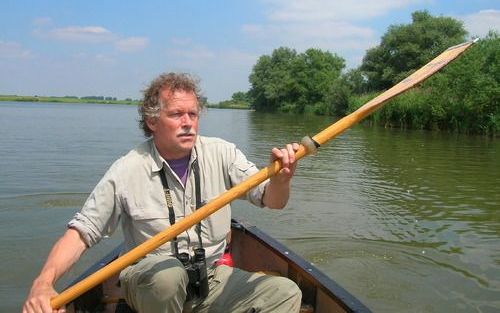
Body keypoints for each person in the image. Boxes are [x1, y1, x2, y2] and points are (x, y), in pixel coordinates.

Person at [23, 72, 302, 313]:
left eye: (193, 114)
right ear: (153, 121)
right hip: (150, 284)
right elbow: (81, 233)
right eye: (176, 114)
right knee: (168, 277)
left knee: (285, 292)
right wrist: (43, 283)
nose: (188, 122)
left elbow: (272, 200)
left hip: (209, 279)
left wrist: (282, 180)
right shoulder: (128, 169)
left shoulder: (222, 153)